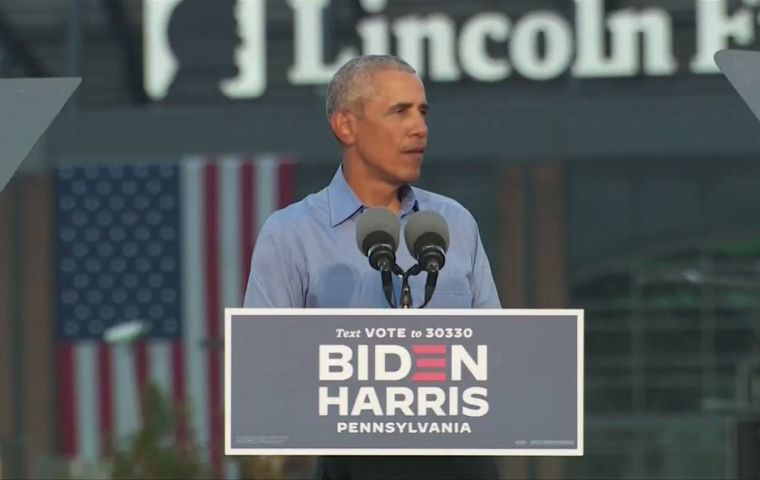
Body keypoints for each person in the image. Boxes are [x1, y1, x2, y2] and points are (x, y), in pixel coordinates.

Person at [243, 55, 501, 479]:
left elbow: (499, 354)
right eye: (400, 112)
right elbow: (262, 370)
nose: (420, 128)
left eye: (422, 112)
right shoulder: (292, 234)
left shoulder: (454, 223)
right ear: (346, 126)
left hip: (462, 463)